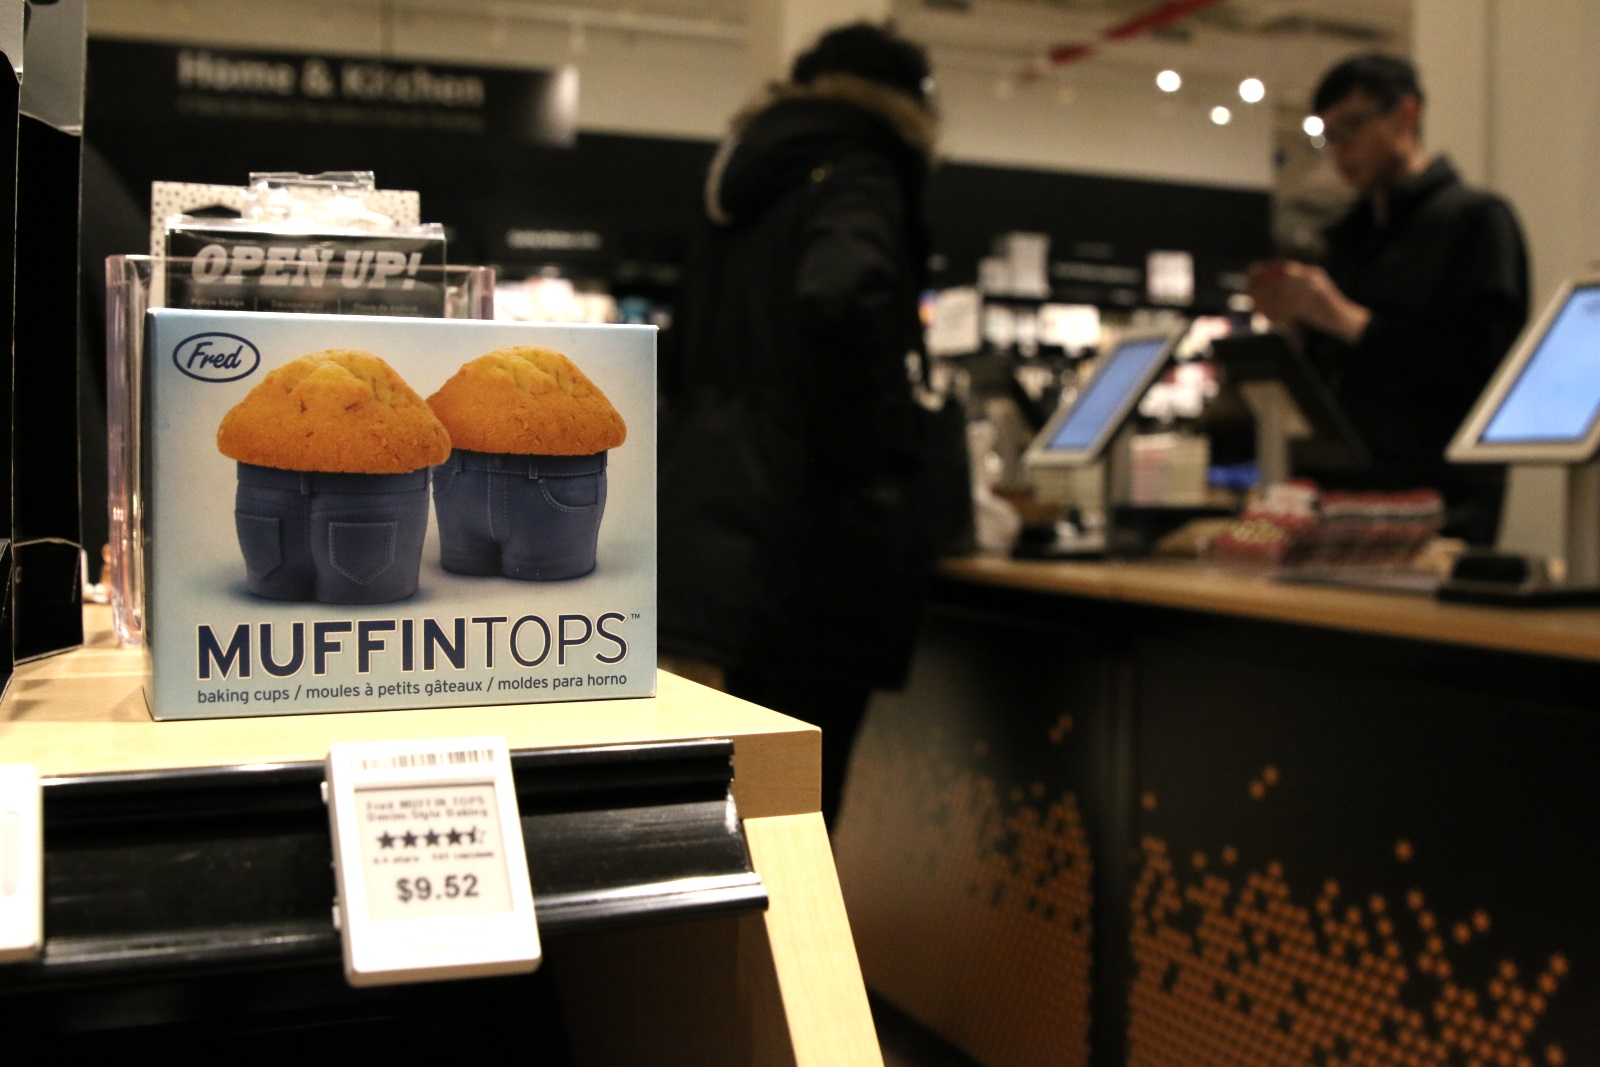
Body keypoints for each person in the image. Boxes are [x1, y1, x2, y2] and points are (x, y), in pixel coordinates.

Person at [658, 22, 940, 828]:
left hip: (705, 522)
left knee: (716, 805)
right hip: (807, 543)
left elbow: (682, 353)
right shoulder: (863, 166)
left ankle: (709, 958)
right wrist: (870, 460)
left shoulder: (745, 179)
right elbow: (845, 293)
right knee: (797, 816)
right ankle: (789, 959)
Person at [1248, 53, 1529, 544]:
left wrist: (1347, 321)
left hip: (1440, 508)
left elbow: (1487, 375)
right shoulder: (1347, 239)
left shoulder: (1477, 221)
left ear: (1407, 114)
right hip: (1339, 506)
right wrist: (1292, 334)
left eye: (1353, 127)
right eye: (1329, 135)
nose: (1340, 150)